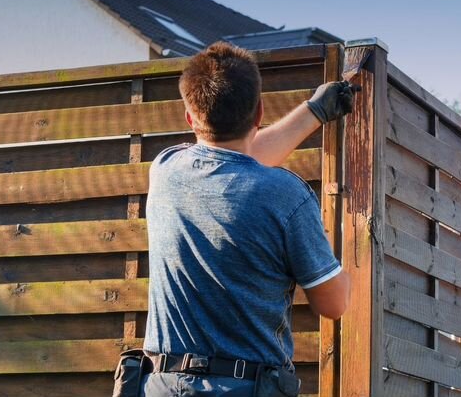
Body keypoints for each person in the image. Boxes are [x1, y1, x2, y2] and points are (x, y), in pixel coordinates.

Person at [140, 42, 352, 396]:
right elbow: (334, 305)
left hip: (162, 385)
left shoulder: (165, 170)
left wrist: (314, 112)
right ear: (259, 114)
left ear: (190, 117)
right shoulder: (286, 196)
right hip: (246, 388)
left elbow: (232, 160)